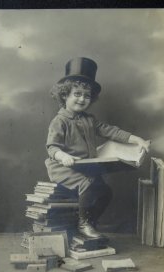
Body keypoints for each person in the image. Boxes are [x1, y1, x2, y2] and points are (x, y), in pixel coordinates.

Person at [45, 57, 150, 238]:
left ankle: (89, 221)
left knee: (106, 192)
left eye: (87, 95)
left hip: (85, 166)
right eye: (77, 94)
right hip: (63, 167)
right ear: (64, 95)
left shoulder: (89, 119)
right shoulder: (59, 121)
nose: (82, 99)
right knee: (88, 183)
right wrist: (62, 156)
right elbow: (52, 147)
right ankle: (84, 223)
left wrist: (137, 139)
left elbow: (111, 131)